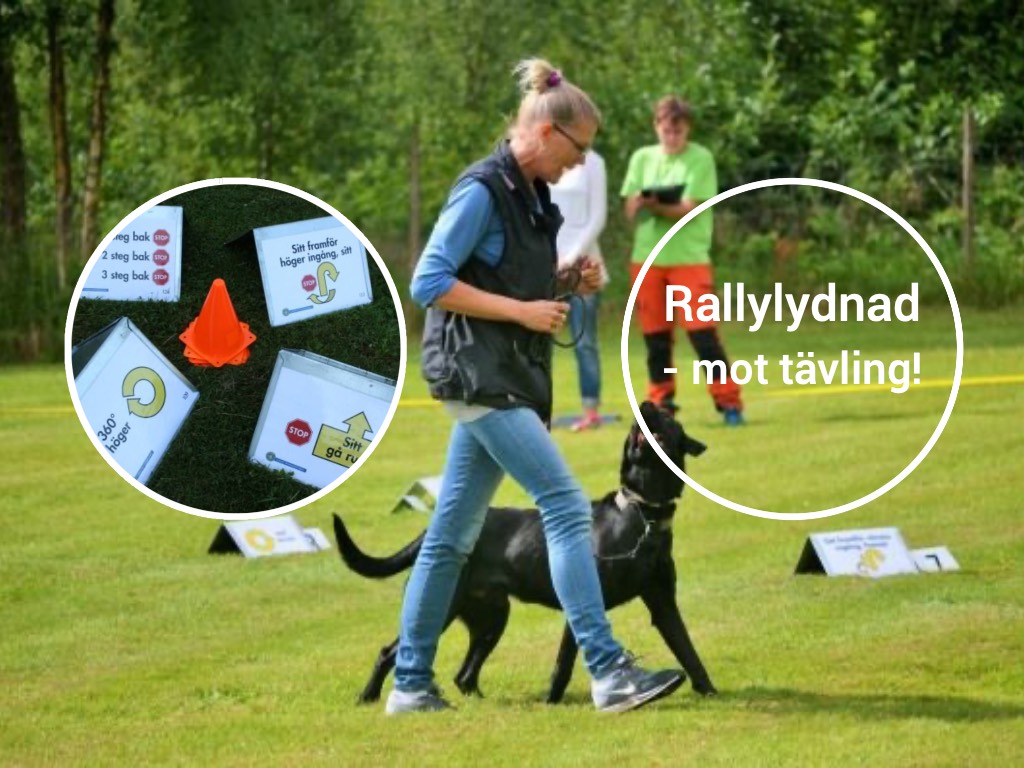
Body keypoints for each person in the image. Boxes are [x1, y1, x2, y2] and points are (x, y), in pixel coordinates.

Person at [392, 59, 684, 715]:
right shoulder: (481, 191)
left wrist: (564, 283)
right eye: (578, 149)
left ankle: (409, 685)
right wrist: (524, 312)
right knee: (566, 505)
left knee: (450, 536)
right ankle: (608, 671)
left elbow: (504, 281)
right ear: (548, 132)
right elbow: (428, 281)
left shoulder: (530, 196)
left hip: (505, 376)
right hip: (477, 375)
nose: (580, 165)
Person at [621, 96, 744, 425]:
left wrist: (656, 205)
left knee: (703, 334)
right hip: (647, 258)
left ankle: (729, 402)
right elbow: (629, 209)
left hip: (689, 259)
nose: (672, 137)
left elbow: (690, 209)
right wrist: (640, 202)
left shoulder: (700, 159)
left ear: (688, 129)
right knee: (656, 339)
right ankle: (661, 404)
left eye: (678, 131)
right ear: (656, 127)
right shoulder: (641, 158)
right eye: (667, 131)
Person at [549, 148, 608, 432]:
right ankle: (536, 411)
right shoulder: (545, 159)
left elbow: (597, 218)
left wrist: (570, 259)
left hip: (584, 265)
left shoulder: (594, 162)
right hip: (545, 265)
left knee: (584, 342)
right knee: (539, 343)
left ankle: (590, 409)